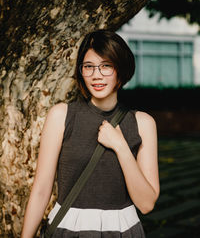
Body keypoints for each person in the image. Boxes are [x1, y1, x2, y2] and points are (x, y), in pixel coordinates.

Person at [21, 30, 160, 237]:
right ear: (81, 71)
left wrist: (120, 146)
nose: (97, 75)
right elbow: (41, 190)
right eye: (89, 67)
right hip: (68, 229)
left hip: (122, 231)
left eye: (106, 66)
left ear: (120, 70)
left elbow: (147, 204)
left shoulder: (143, 123)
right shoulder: (61, 116)